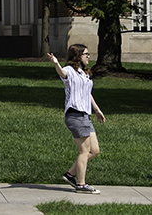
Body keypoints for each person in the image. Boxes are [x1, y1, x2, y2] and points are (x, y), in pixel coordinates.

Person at [50, 45, 105, 194]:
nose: (89, 56)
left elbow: (88, 94)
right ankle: (81, 184)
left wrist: (97, 110)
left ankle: (69, 175)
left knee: (94, 150)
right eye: (86, 54)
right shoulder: (70, 71)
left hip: (85, 115)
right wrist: (56, 63)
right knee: (84, 151)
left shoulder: (84, 74)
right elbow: (62, 73)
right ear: (78, 56)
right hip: (75, 114)